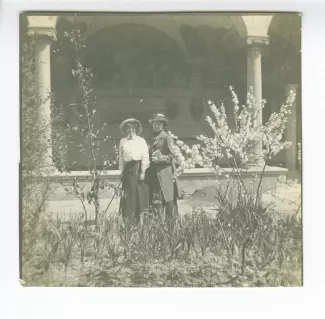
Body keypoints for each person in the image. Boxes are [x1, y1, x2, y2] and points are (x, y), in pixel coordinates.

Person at [145, 113, 180, 222]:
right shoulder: (152, 137)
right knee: (156, 199)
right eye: (155, 124)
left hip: (164, 173)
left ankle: (171, 225)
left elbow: (173, 155)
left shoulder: (166, 137)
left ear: (163, 125)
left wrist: (161, 159)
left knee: (167, 197)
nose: (157, 126)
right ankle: (156, 225)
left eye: (159, 124)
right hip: (153, 173)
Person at [118, 118, 150, 223]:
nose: (130, 130)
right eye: (128, 128)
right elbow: (121, 158)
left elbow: (145, 156)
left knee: (138, 192)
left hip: (138, 167)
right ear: (125, 130)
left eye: (132, 127)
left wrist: (143, 172)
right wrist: (122, 171)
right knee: (128, 192)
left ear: (136, 128)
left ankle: (140, 218)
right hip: (127, 168)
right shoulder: (123, 141)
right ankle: (128, 218)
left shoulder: (141, 140)